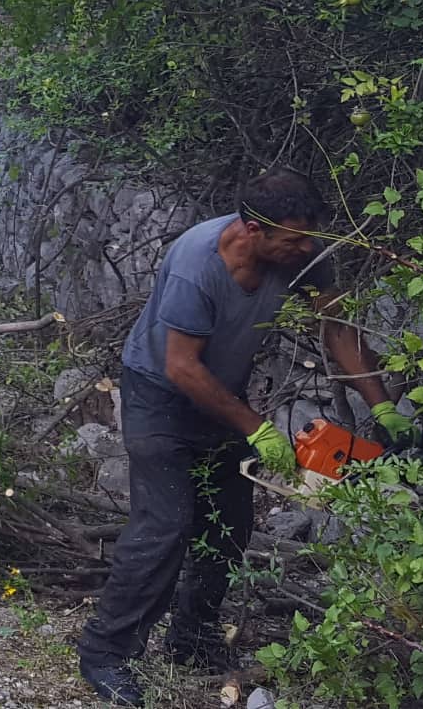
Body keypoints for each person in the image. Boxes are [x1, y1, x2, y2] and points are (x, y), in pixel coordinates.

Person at [77, 169, 397, 704]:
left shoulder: (302, 253)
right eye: (293, 239)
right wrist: (258, 427)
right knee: (166, 524)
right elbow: (181, 366)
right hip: (159, 394)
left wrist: (384, 407)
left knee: (229, 523)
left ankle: (192, 639)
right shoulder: (196, 264)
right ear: (252, 229)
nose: (305, 248)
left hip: (221, 394)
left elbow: (338, 329)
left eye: (309, 236)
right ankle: (106, 653)